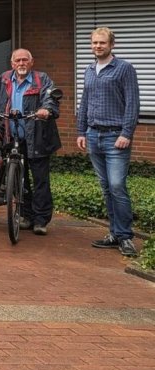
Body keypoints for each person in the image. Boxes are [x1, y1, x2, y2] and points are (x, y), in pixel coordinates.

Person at [77, 27, 140, 258]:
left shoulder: (124, 69)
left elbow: (132, 103)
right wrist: (81, 131)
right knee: (106, 188)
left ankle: (125, 237)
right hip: (93, 136)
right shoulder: (90, 70)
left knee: (116, 186)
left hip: (116, 137)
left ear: (111, 45)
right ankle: (114, 234)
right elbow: (84, 103)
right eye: (94, 43)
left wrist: (126, 133)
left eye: (102, 43)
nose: (97, 46)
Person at [0, 48, 61, 236]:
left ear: (31, 62)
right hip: (12, 137)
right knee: (20, 180)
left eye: (25, 60)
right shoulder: (3, 79)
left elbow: (50, 98)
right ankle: (25, 216)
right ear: (12, 64)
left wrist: (47, 109)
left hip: (37, 138)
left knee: (40, 180)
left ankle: (41, 220)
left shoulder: (41, 79)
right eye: (17, 60)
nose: (21, 63)